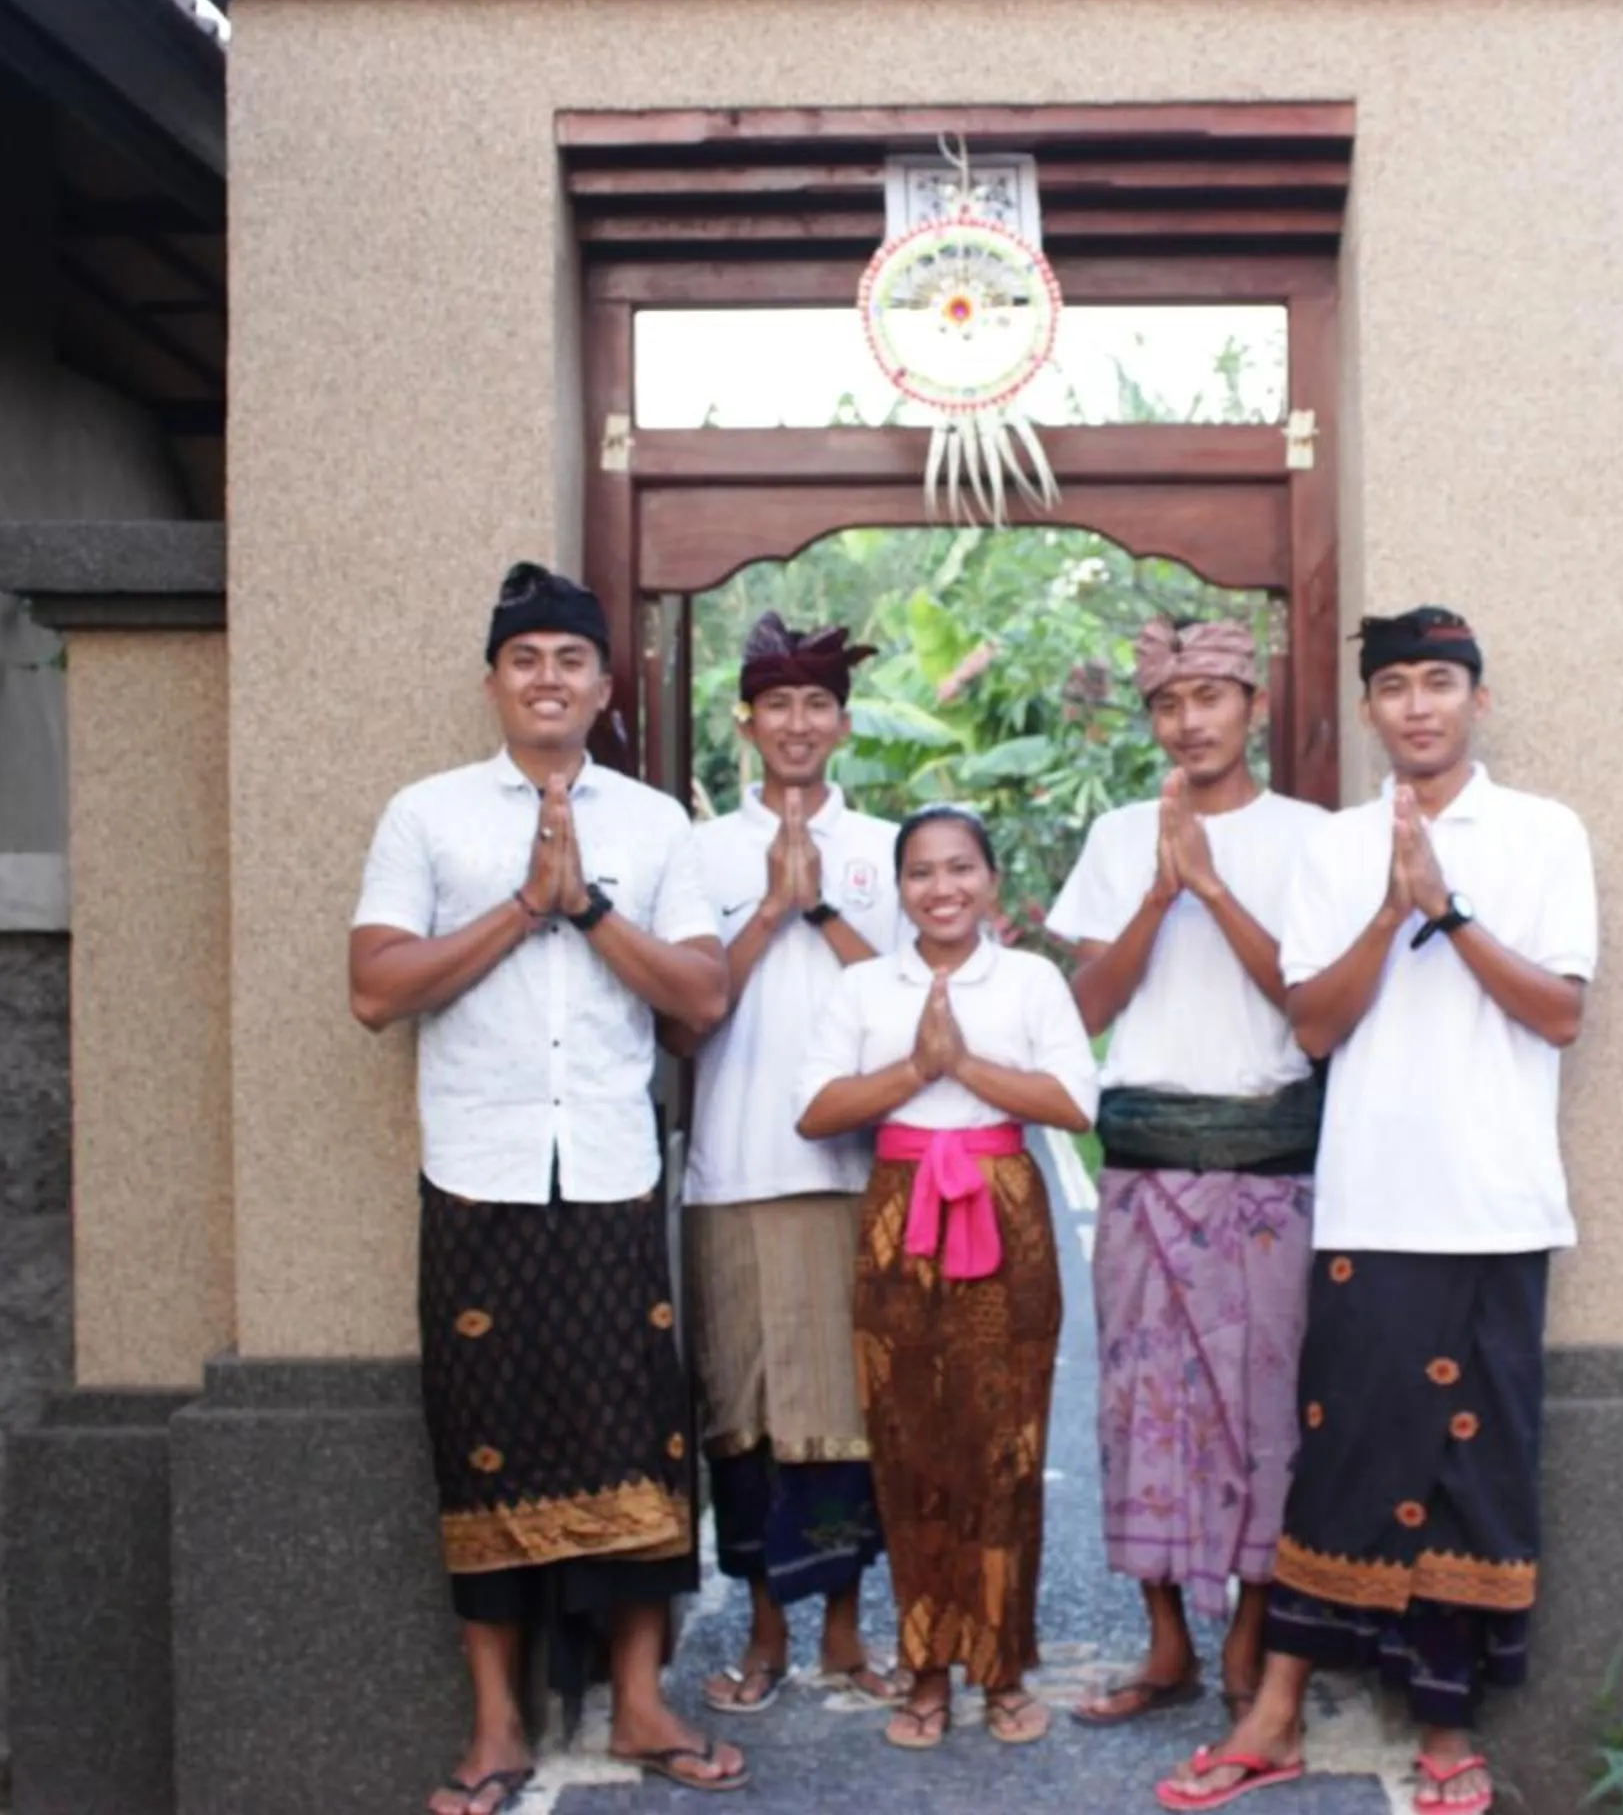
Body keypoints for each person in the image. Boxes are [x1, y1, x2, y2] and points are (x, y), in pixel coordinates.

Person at [1157, 606, 1597, 1815]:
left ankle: (1447, 1725)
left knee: (1475, 1465)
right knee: (1343, 1454)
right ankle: (1276, 1714)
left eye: (1439, 681)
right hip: (1370, 1202)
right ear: (1367, 710)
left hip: (1497, 1205)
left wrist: (1450, 910)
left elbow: (1560, 1012)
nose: (1417, 705)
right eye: (1394, 685)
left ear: (1477, 699)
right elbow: (1312, 1024)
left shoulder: (1545, 832)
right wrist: (1394, 909)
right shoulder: (1337, 846)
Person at [348, 564, 749, 1808]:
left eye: (571, 659)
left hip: (613, 1173)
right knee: (484, 1438)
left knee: (639, 1434)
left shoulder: (656, 825)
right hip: (478, 1173)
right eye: (525, 658)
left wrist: (588, 907)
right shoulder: (426, 815)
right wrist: (525, 903)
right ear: (493, 682)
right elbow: (375, 988)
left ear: (604, 686)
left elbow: (701, 996)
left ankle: (639, 1700)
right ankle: (495, 1724)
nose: (547, 678)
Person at [1045, 617, 1327, 1727]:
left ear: (1254, 704)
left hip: (1269, 1162)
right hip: (1147, 1158)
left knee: (1265, 1408)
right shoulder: (1121, 835)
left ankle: (1250, 1640)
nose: (1190, 721)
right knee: (1142, 1403)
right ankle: (1165, 1641)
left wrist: (1211, 887)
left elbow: (1311, 1007)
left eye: (1211, 696)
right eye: (1168, 703)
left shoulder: (1312, 839)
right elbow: (1086, 1010)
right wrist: (1160, 893)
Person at [794, 806, 1099, 1753]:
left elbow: (1073, 1103)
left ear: (991, 881)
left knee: (1005, 1447)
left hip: (1006, 1212)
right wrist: (914, 1070)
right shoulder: (863, 987)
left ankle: (1001, 1671)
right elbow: (816, 1108)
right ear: (900, 889)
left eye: (961, 868)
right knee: (910, 1444)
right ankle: (926, 1670)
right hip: (900, 1217)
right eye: (921, 872)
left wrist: (961, 1063)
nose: (942, 888)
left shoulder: (1032, 980)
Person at [666, 612, 911, 1714]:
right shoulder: (697, 851)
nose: (798, 723)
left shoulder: (888, 848)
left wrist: (821, 905)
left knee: (850, 1414)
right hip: (734, 1171)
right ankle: (765, 1635)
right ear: (748, 721)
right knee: (747, 1415)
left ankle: (848, 1634)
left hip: (856, 1172)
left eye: (818, 704)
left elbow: (910, 1011)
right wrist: (768, 908)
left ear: (844, 724)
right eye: (778, 704)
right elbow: (684, 1018)